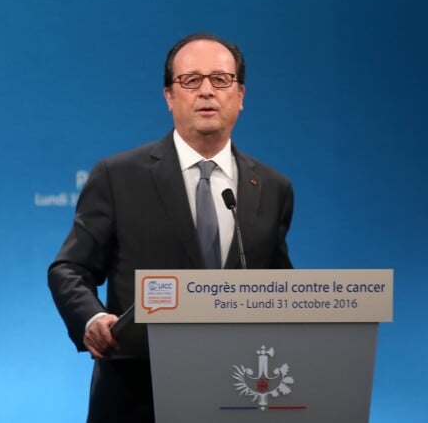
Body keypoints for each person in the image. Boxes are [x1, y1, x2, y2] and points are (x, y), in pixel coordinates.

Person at [48, 33, 294, 422]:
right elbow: (70, 268)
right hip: (139, 395)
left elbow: (279, 285)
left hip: (238, 394)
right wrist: (92, 319)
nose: (207, 91)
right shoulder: (118, 176)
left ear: (241, 96)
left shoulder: (272, 186)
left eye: (221, 79)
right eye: (191, 80)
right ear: (169, 96)